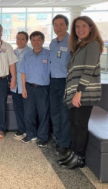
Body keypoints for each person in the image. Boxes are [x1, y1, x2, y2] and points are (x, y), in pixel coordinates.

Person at [59, 16, 103, 169]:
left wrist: (79, 93)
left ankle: (79, 157)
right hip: (74, 93)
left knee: (80, 124)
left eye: (84, 26)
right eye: (77, 27)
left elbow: (88, 71)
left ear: (91, 27)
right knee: (73, 123)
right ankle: (73, 152)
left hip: (84, 94)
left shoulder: (93, 45)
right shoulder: (80, 46)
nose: (80, 29)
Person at [19, 31, 50, 147]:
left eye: (39, 40)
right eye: (34, 40)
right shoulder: (27, 55)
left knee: (43, 113)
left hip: (43, 89)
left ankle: (43, 137)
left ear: (43, 41)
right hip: (29, 87)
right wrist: (23, 88)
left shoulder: (48, 54)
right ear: (30, 41)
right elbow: (22, 72)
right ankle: (30, 134)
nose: (36, 42)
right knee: (28, 113)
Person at [49, 14, 71, 156]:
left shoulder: (72, 42)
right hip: (53, 81)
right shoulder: (53, 42)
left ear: (67, 26)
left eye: (61, 24)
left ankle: (65, 143)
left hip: (66, 81)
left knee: (65, 113)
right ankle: (57, 138)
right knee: (55, 112)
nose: (58, 27)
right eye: (56, 25)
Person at [11, 31, 32, 138]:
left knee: (28, 110)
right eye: (18, 38)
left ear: (27, 40)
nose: (20, 41)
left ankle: (29, 131)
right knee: (18, 108)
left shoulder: (30, 52)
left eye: (23, 39)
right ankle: (21, 129)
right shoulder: (13, 52)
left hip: (26, 86)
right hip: (15, 86)